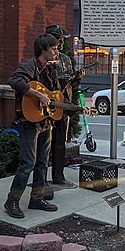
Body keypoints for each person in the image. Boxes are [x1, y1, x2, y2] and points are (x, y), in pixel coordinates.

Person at [4, 34, 61, 219]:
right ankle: (12, 201)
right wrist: (37, 94)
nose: (56, 51)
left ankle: (36, 199)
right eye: (53, 48)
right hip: (30, 122)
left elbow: (56, 95)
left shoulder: (52, 70)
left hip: (45, 122)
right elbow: (15, 80)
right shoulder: (30, 65)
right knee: (28, 163)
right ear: (43, 49)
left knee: (43, 162)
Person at [45, 24, 77, 189]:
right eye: (59, 39)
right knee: (44, 144)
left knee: (60, 142)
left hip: (63, 105)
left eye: (62, 40)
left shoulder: (65, 59)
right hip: (47, 106)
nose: (62, 43)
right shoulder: (43, 58)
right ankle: (41, 179)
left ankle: (58, 176)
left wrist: (76, 78)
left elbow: (72, 83)